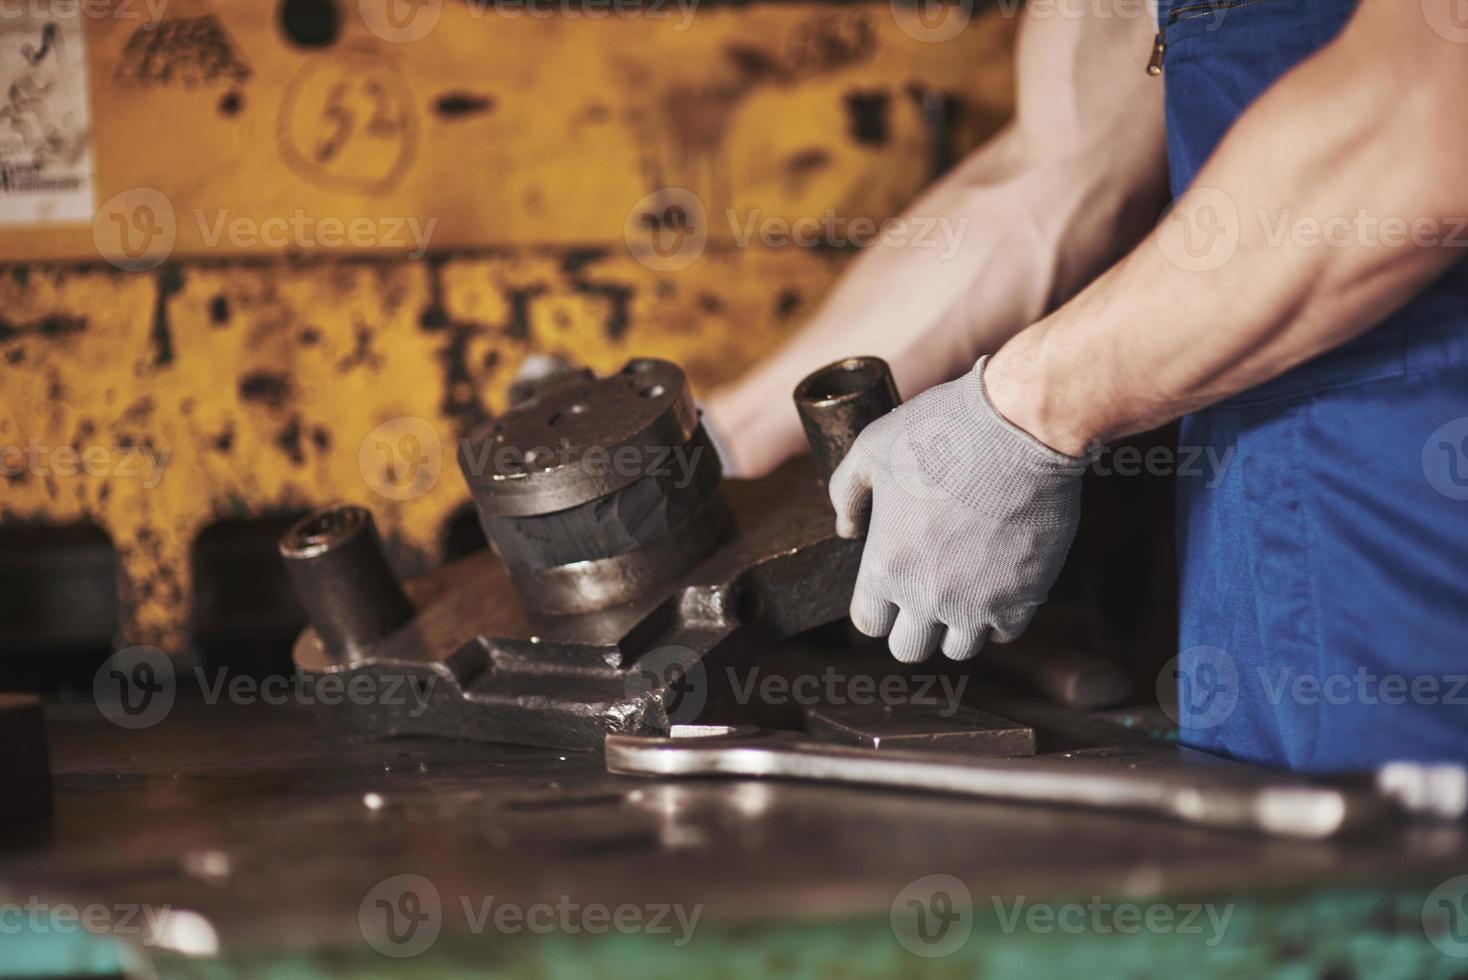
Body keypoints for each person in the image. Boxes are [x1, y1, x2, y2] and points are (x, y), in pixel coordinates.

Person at [704, 0, 1468, 772]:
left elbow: (1419, 119)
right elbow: (1058, 173)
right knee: (1292, 862)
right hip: (1256, 516)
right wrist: (722, 446)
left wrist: (1024, 413)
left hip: (1423, 485)